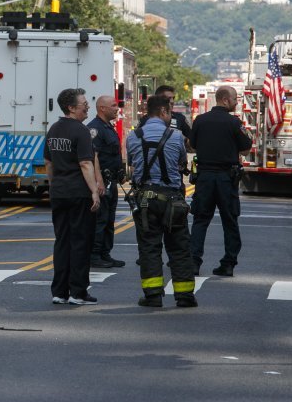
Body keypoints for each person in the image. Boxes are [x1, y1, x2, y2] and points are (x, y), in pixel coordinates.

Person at [126, 95, 196, 308]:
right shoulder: (175, 136)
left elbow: (132, 163)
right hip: (173, 200)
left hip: (146, 200)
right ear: (164, 112)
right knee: (179, 248)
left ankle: (153, 295)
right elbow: (182, 162)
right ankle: (184, 296)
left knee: (149, 248)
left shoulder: (133, 136)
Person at [44, 88, 101, 306]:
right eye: (84, 103)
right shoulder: (81, 131)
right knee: (80, 242)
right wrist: (94, 191)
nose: (87, 106)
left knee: (62, 241)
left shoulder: (54, 129)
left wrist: (54, 184)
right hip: (78, 192)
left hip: (59, 192)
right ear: (71, 107)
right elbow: (86, 163)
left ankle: (59, 291)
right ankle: (78, 292)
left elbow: (48, 163)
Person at [189, 85, 251, 277]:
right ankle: (228, 263)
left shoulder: (200, 120)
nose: (236, 102)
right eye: (234, 99)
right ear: (225, 100)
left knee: (200, 220)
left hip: (204, 177)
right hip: (226, 178)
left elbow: (192, 145)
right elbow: (246, 148)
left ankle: (193, 262)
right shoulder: (234, 123)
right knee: (230, 221)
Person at [87, 96, 126, 269]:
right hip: (102, 181)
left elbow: (113, 154)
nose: (117, 108)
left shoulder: (107, 127)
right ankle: (94, 255)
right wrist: (99, 181)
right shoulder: (95, 129)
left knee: (109, 220)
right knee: (100, 220)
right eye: (113, 106)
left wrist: (121, 172)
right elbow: (93, 157)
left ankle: (105, 254)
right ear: (102, 108)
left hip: (111, 180)